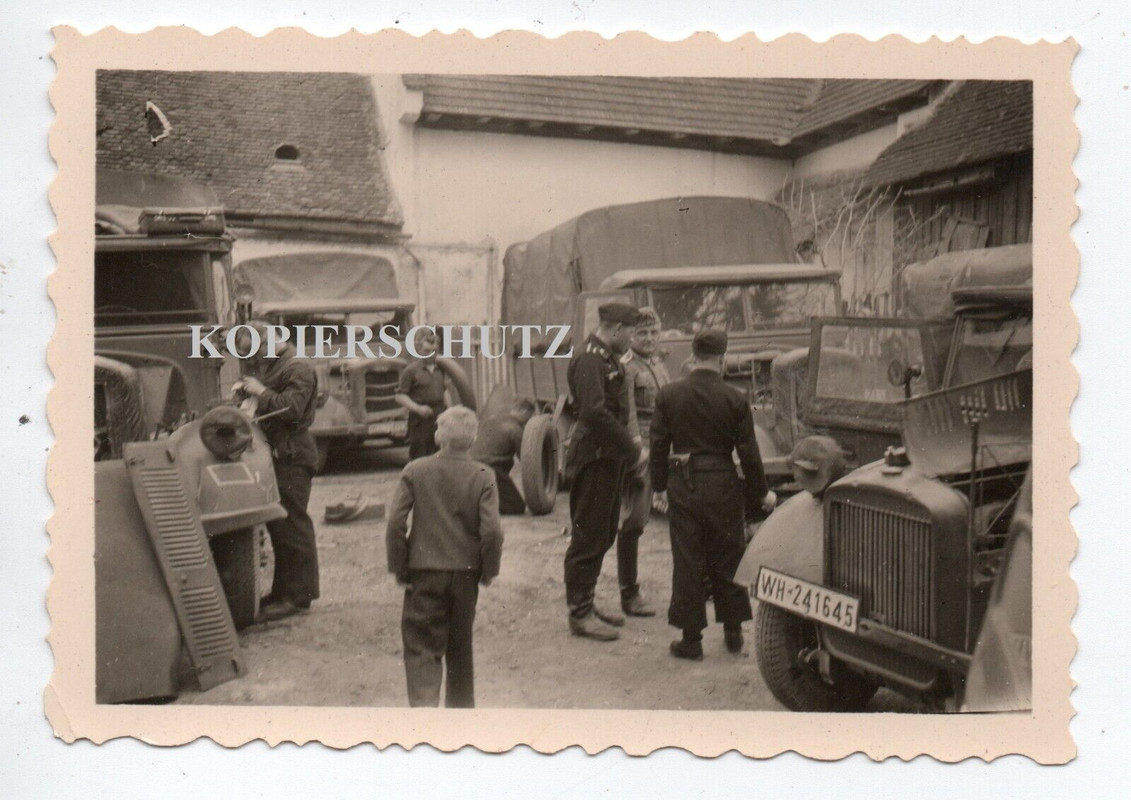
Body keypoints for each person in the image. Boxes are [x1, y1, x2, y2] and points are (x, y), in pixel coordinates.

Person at [650, 329, 777, 660]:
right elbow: (749, 453)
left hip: (684, 484)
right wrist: (761, 493)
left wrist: (659, 486)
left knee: (688, 559)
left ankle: (691, 640)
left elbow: (658, 445)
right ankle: (733, 633)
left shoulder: (669, 395)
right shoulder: (735, 398)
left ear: (693, 356)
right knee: (729, 554)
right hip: (723, 484)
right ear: (722, 358)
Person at [385, 406, 503, 708]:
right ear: (473, 439)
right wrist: (488, 570)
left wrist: (400, 567)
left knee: (422, 647)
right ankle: (460, 720)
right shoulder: (484, 475)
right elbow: (492, 531)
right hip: (466, 574)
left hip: (424, 573)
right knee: (461, 648)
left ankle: (424, 714)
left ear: (439, 436)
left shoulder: (415, 470)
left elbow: (395, 523)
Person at [563, 302, 642, 642]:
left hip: (607, 458)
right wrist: (632, 448)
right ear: (616, 329)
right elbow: (593, 412)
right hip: (594, 459)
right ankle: (579, 614)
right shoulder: (590, 358)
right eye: (630, 332)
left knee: (604, 532)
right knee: (588, 536)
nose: (632, 339)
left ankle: (588, 603)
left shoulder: (605, 356)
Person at [232, 322, 320, 623]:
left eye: (258, 351)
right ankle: (284, 592)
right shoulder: (279, 365)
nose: (257, 359)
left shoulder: (298, 367)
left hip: (293, 454)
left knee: (293, 525)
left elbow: (291, 410)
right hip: (281, 454)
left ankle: (298, 597)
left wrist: (260, 391)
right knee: (280, 526)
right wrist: (247, 397)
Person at [616, 307, 671, 617]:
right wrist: (638, 451)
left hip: (667, 448)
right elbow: (629, 415)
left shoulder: (659, 364)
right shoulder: (627, 368)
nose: (649, 338)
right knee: (635, 521)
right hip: (644, 452)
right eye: (642, 333)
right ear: (631, 336)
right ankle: (629, 592)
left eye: (653, 332)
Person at [471, 398, 536, 515]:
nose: (527, 421)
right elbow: (527, 459)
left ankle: (481, 498)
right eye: (529, 416)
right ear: (524, 411)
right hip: (492, 470)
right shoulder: (515, 429)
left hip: (473, 467)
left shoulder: (493, 418)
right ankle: (483, 506)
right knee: (517, 507)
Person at [394, 328, 447, 461]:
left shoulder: (441, 369)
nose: (430, 354)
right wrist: (418, 409)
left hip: (439, 417)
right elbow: (400, 396)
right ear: (419, 351)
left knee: (440, 456)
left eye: (434, 351)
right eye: (426, 351)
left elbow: (445, 391)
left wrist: (449, 412)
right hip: (420, 420)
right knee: (420, 458)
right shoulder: (411, 371)